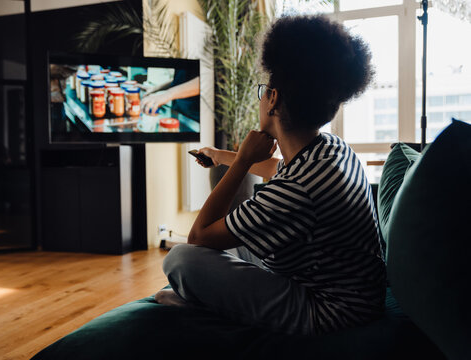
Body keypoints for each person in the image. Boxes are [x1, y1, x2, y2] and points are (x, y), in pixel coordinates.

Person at [155, 15, 386, 336]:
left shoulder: (296, 189)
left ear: (273, 99)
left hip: (327, 309)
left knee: (181, 259)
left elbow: (199, 237)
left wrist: (239, 163)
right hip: (349, 289)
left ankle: (211, 305)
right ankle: (214, 297)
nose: (261, 97)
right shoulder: (332, 149)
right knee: (230, 247)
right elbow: (277, 168)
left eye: (263, 90)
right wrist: (222, 156)